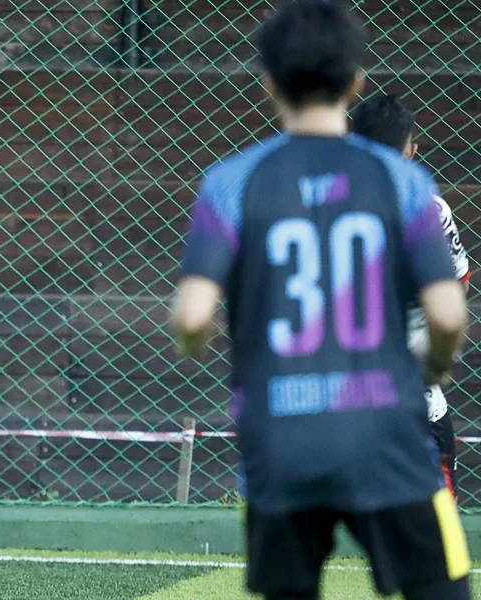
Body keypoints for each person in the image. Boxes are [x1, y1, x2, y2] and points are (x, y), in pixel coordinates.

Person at [170, 2, 471, 599]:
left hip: (281, 436)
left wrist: (199, 341)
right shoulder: (403, 180)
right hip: (388, 430)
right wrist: (434, 365)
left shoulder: (232, 181)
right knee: (443, 585)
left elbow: (192, 317)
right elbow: (447, 313)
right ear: (355, 81)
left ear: (268, 83)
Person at [351, 94, 472, 500]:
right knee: (434, 525)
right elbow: (458, 288)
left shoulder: (318, 202)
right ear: (411, 150)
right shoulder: (429, 210)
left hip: (334, 389)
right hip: (411, 390)